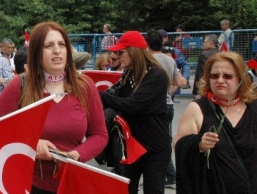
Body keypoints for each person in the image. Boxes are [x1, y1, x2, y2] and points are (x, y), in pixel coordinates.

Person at [0, 21, 107, 194]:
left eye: (62, 44)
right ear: (37, 53)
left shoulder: (85, 86)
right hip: (28, 185)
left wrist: (75, 156)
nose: (57, 50)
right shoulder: (20, 85)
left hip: (72, 183)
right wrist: (30, 143)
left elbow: (99, 135)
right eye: (49, 45)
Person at [99, 31, 171, 194]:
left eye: (121, 52)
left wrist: (97, 94)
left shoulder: (156, 76)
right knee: (126, 189)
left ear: (134, 52)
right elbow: (112, 96)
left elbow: (132, 105)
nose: (117, 56)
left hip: (154, 146)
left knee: (153, 190)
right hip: (131, 144)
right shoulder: (128, 74)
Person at [175, 51, 257, 193]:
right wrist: (198, 143)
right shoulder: (197, 108)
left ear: (240, 79)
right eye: (214, 76)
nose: (220, 80)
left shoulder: (253, 108)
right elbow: (179, 145)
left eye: (227, 76)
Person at [145, 30, 187, 189]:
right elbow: (178, 81)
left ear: (147, 44)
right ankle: (169, 173)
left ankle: (169, 173)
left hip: (155, 107)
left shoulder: (149, 61)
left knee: (158, 142)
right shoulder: (170, 61)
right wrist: (169, 92)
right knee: (164, 139)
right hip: (168, 104)